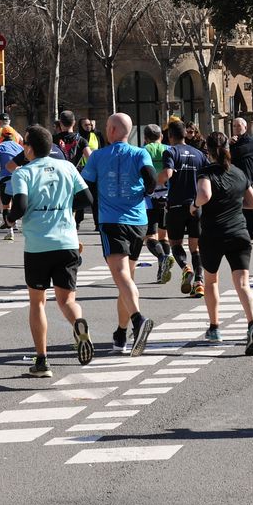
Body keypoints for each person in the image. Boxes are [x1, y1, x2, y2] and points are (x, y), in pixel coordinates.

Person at [7, 124, 94, 376]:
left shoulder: (23, 173)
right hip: (67, 242)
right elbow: (87, 199)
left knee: (38, 302)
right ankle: (78, 323)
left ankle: (42, 361)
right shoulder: (67, 167)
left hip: (38, 245)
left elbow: (20, 205)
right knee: (67, 300)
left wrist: (10, 218)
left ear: (29, 149)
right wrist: (65, 206)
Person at [81, 112, 157, 355]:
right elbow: (151, 179)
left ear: (112, 130)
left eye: (107, 126)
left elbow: (85, 188)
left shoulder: (98, 156)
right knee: (126, 280)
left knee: (121, 276)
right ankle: (121, 334)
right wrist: (142, 194)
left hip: (112, 221)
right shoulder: (140, 153)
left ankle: (138, 320)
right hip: (138, 221)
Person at [191, 131, 253, 354]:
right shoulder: (239, 173)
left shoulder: (206, 172)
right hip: (239, 233)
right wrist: (235, 204)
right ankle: (252, 324)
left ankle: (214, 328)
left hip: (213, 235)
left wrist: (195, 205)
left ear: (208, 150)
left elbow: (204, 195)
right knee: (242, 284)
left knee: (211, 281)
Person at [161, 118, 206, 296]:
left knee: (175, 243)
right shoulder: (199, 154)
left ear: (170, 135)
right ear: (185, 134)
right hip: (195, 205)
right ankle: (199, 282)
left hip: (176, 205)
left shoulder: (170, 152)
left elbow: (167, 173)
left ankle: (186, 268)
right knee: (196, 247)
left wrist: (152, 183)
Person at [141, 123, 171, 278]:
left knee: (150, 237)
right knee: (164, 236)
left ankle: (162, 257)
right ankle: (162, 269)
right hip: (168, 196)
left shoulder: (143, 151)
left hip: (149, 198)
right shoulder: (169, 150)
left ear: (145, 138)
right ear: (161, 136)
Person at [0, 125, 25, 239]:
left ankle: (10, 231)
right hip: (19, 179)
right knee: (19, 202)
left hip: (5, 179)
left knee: (5, 204)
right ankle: (20, 225)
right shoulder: (20, 147)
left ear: (2, 135)